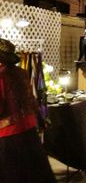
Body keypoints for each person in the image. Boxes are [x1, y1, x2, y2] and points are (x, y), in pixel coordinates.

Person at [0, 38, 56, 183]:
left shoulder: (1, 76)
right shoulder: (21, 73)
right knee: (35, 172)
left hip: (9, 135)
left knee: (13, 174)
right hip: (29, 129)